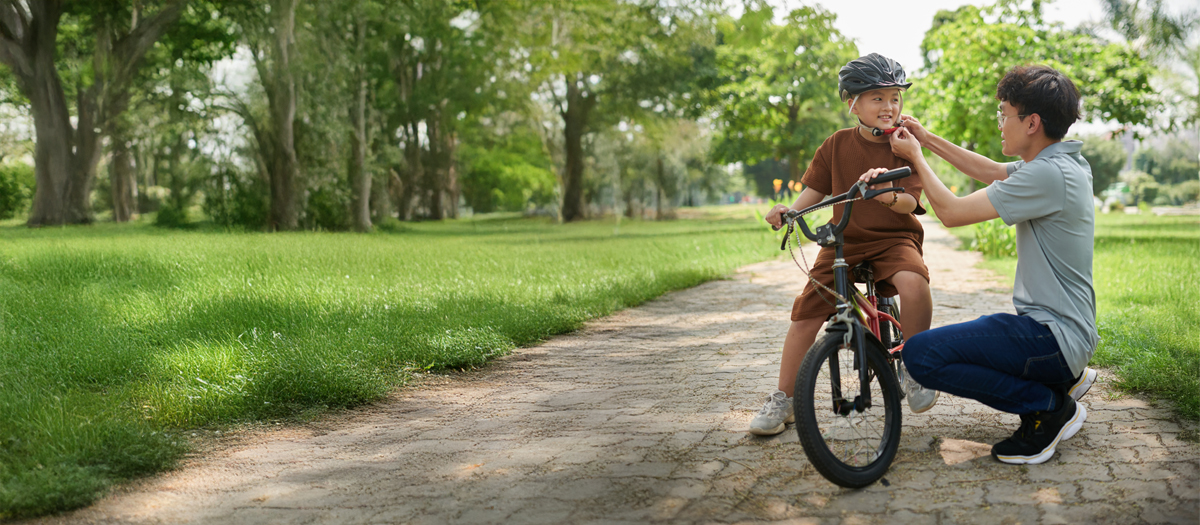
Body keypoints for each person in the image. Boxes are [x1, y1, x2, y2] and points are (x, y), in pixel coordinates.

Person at [874, 64, 1099, 464]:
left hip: (1052, 338)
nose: (1000, 122)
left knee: (921, 355)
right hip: (1066, 333)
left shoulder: (1047, 174)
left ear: (1031, 123)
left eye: (1004, 114)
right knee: (967, 341)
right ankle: (1062, 379)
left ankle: (1046, 408)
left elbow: (952, 212)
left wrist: (917, 157)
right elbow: (990, 171)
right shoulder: (1061, 164)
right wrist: (928, 138)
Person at [752, 53, 939, 436]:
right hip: (845, 239)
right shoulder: (836, 145)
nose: (890, 106)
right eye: (878, 98)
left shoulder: (906, 144)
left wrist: (880, 193)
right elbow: (816, 190)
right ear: (852, 102)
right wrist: (790, 211)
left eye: (895, 98)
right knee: (806, 313)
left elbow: (908, 202)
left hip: (894, 238)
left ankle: (917, 369)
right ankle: (783, 398)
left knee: (914, 284)